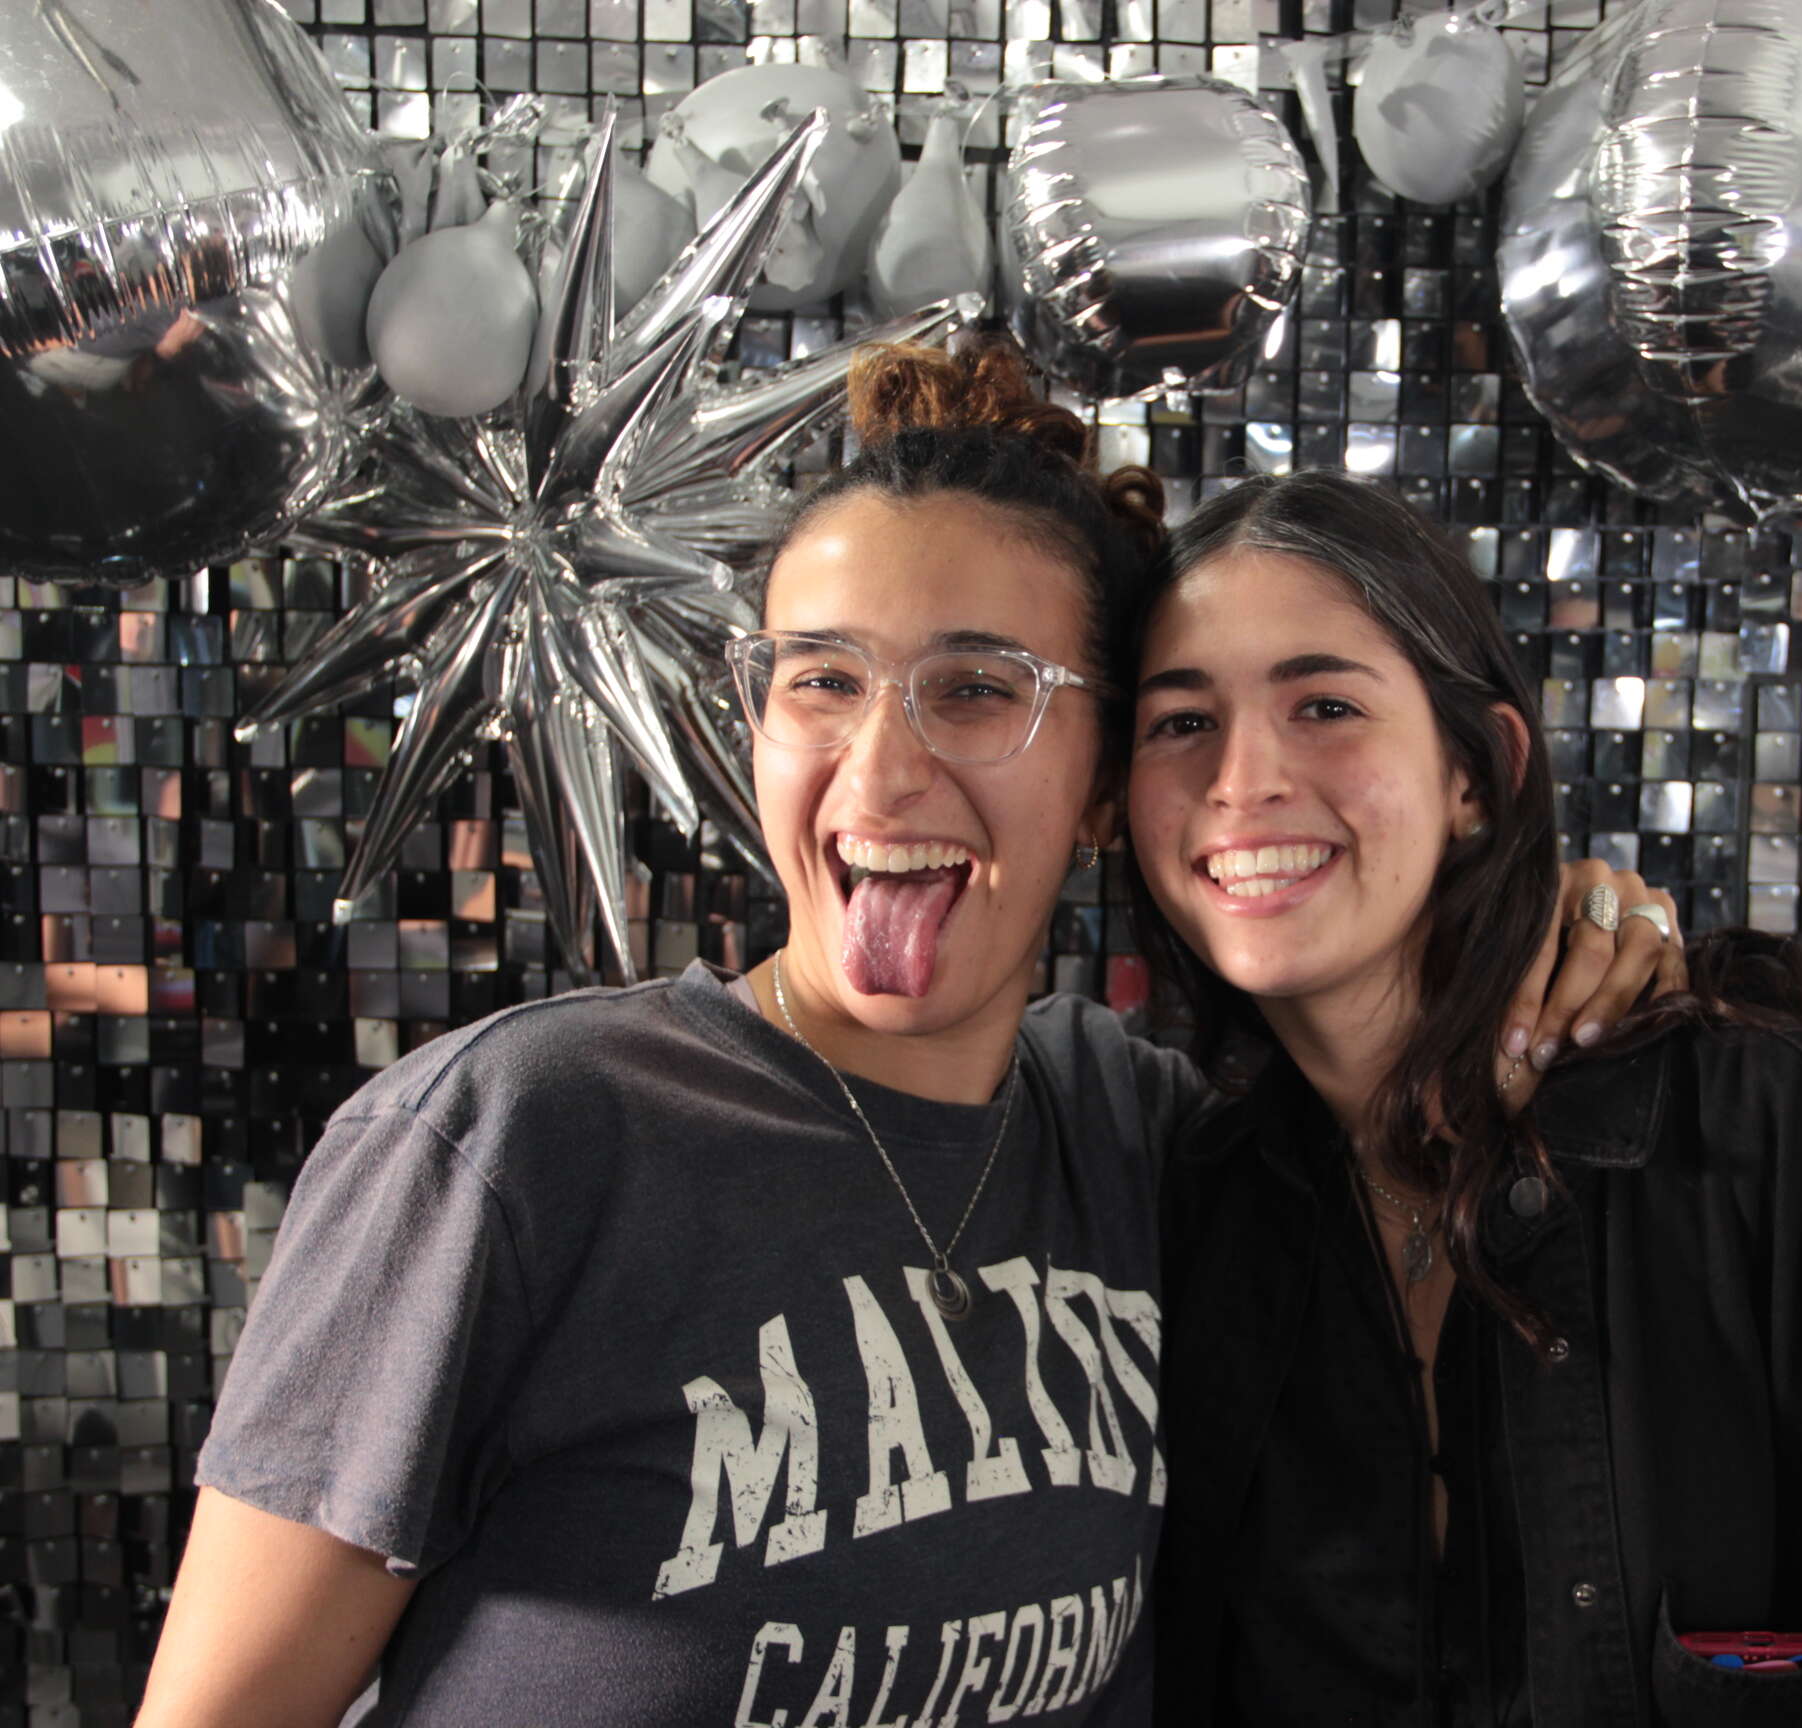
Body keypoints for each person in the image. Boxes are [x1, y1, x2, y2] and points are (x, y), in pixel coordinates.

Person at [135, 344, 1679, 1728]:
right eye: (822, 681)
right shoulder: (514, 1141)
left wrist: (1572, 915)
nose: (879, 774)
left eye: (978, 689)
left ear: (1105, 788)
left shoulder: (1144, 1139)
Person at [1132, 470, 1802, 1726]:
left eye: (1324, 705)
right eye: (1181, 721)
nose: (1241, 779)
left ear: (1477, 772)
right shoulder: (1192, 1204)